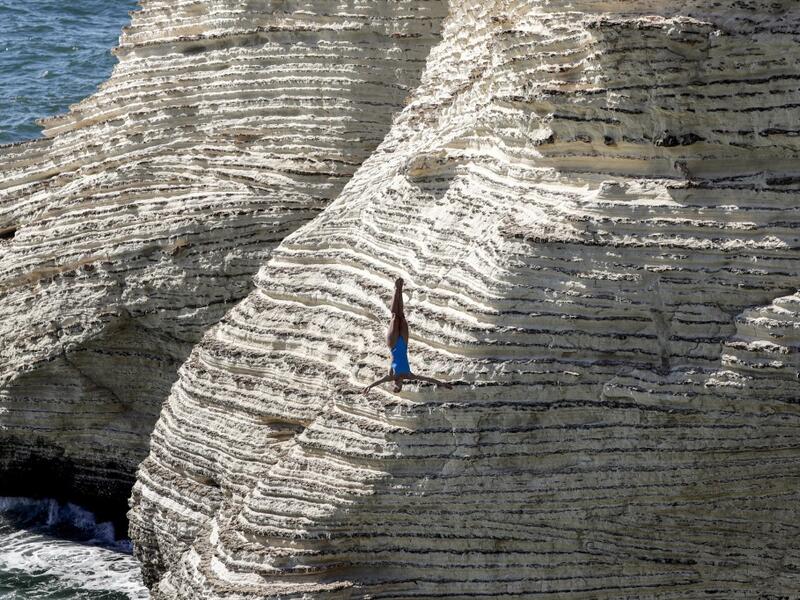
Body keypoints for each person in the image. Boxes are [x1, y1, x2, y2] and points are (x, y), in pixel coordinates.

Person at [362, 277, 453, 394]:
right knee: (402, 316)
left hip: (393, 344)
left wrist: (370, 386)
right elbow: (428, 379)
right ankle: (400, 289)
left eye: (394, 385)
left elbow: (379, 381)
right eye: (398, 386)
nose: (396, 384)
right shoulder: (409, 375)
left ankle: (396, 289)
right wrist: (442, 383)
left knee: (395, 316)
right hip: (403, 343)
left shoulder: (391, 376)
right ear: (401, 385)